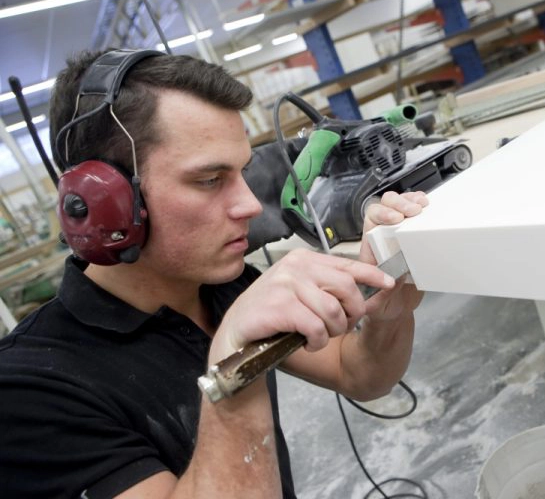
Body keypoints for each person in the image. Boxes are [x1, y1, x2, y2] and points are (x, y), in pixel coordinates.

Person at [0, 50, 428, 498]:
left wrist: (388, 313)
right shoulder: (29, 390)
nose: (250, 205)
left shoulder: (222, 287)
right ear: (105, 203)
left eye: (242, 172)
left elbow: (358, 373)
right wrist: (231, 371)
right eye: (209, 180)